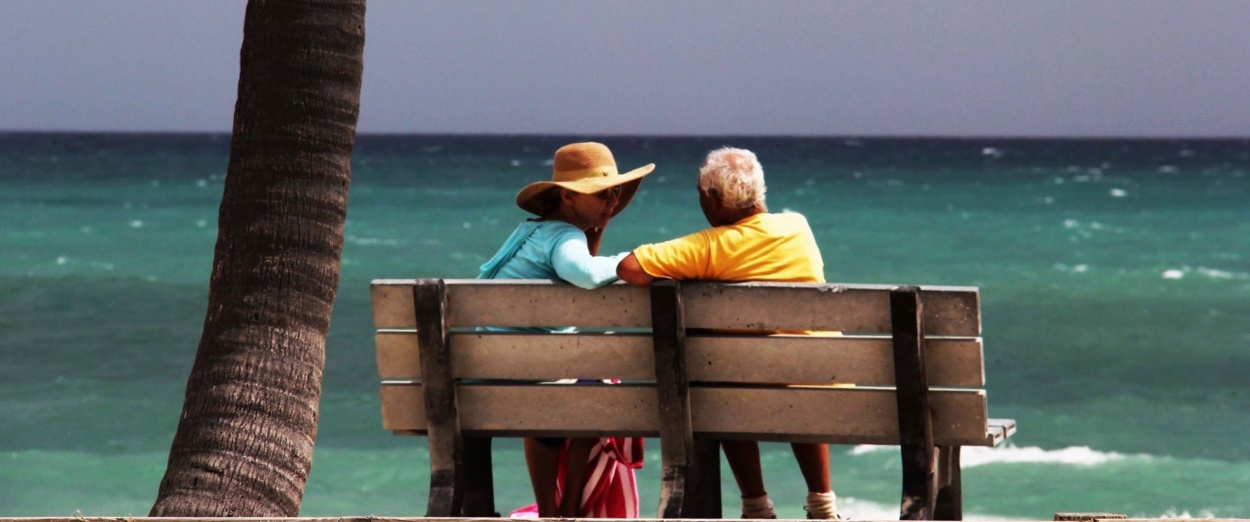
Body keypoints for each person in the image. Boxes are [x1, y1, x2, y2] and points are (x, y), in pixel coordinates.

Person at [616, 147, 841, 520]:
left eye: (703, 196)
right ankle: (822, 504)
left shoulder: (710, 247)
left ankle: (755, 504)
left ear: (716, 200)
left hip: (738, 398)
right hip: (821, 387)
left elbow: (630, 268)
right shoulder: (798, 227)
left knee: (722, 381)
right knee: (798, 368)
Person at [476, 141, 652, 518]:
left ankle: (552, 508)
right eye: (602, 193)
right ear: (568, 198)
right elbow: (586, 274)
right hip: (534, 383)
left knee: (575, 381)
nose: (612, 202)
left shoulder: (529, 234)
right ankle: (568, 505)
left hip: (488, 382)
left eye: (615, 193)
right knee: (600, 386)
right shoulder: (564, 236)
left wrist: (595, 235)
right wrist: (636, 260)